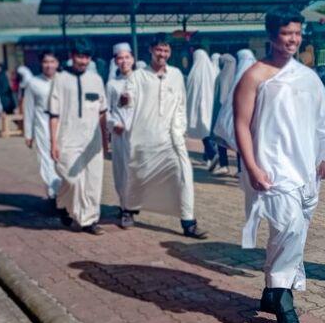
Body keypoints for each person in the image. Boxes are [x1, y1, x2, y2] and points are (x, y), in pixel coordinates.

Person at [233, 8, 325, 323]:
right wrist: (252, 166)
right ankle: (284, 300)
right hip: (272, 168)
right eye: (286, 33)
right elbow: (241, 124)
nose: (293, 39)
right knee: (289, 228)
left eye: (297, 33)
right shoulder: (254, 76)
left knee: (291, 234)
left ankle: (271, 291)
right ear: (271, 36)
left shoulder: (307, 76)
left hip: (306, 169)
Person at [120, 34, 207, 238]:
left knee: (183, 175)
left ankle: (188, 222)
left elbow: (181, 104)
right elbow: (128, 101)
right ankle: (128, 210)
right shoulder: (138, 76)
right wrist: (125, 100)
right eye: (159, 49)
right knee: (138, 177)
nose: (162, 54)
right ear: (151, 50)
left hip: (171, 138)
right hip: (144, 139)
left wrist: (180, 130)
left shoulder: (176, 75)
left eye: (166, 50)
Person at [49, 43, 109, 235]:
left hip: (92, 139)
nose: (83, 61)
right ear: (72, 55)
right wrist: (53, 142)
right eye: (80, 56)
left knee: (93, 180)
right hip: (67, 138)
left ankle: (89, 220)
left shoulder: (96, 79)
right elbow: (54, 115)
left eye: (86, 57)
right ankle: (62, 203)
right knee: (72, 179)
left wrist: (105, 140)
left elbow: (102, 112)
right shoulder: (60, 79)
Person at [21, 51, 62, 205]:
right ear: (41, 64)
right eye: (46, 62)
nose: (49, 65)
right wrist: (28, 134)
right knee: (47, 160)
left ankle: (64, 193)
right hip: (42, 126)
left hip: (62, 127)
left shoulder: (64, 80)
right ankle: (54, 195)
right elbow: (29, 109)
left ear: (57, 63)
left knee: (62, 161)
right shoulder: (33, 83)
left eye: (52, 61)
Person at [106, 43, 136, 227]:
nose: (124, 61)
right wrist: (112, 124)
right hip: (120, 134)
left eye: (127, 57)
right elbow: (105, 110)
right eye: (120, 58)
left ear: (132, 59)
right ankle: (125, 209)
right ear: (115, 61)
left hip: (138, 133)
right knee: (122, 171)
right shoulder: (112, 84)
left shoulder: (141, 81)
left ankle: (134, 204)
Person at [186, 48, 219, 162]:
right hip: (211, 106)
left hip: (198, 106)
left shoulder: (193, 73)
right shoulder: (212, 71)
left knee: (203, 130)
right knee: (208, 129)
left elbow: (189, 92)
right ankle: (208, 154)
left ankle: (211, 153)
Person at [207, 53, 236, 174]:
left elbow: (221, 98)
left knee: (220, 139)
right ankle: (240, 169)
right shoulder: (237, 76)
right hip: (234, 114)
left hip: (222, 112)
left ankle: (224, 165)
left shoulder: (222, 76)